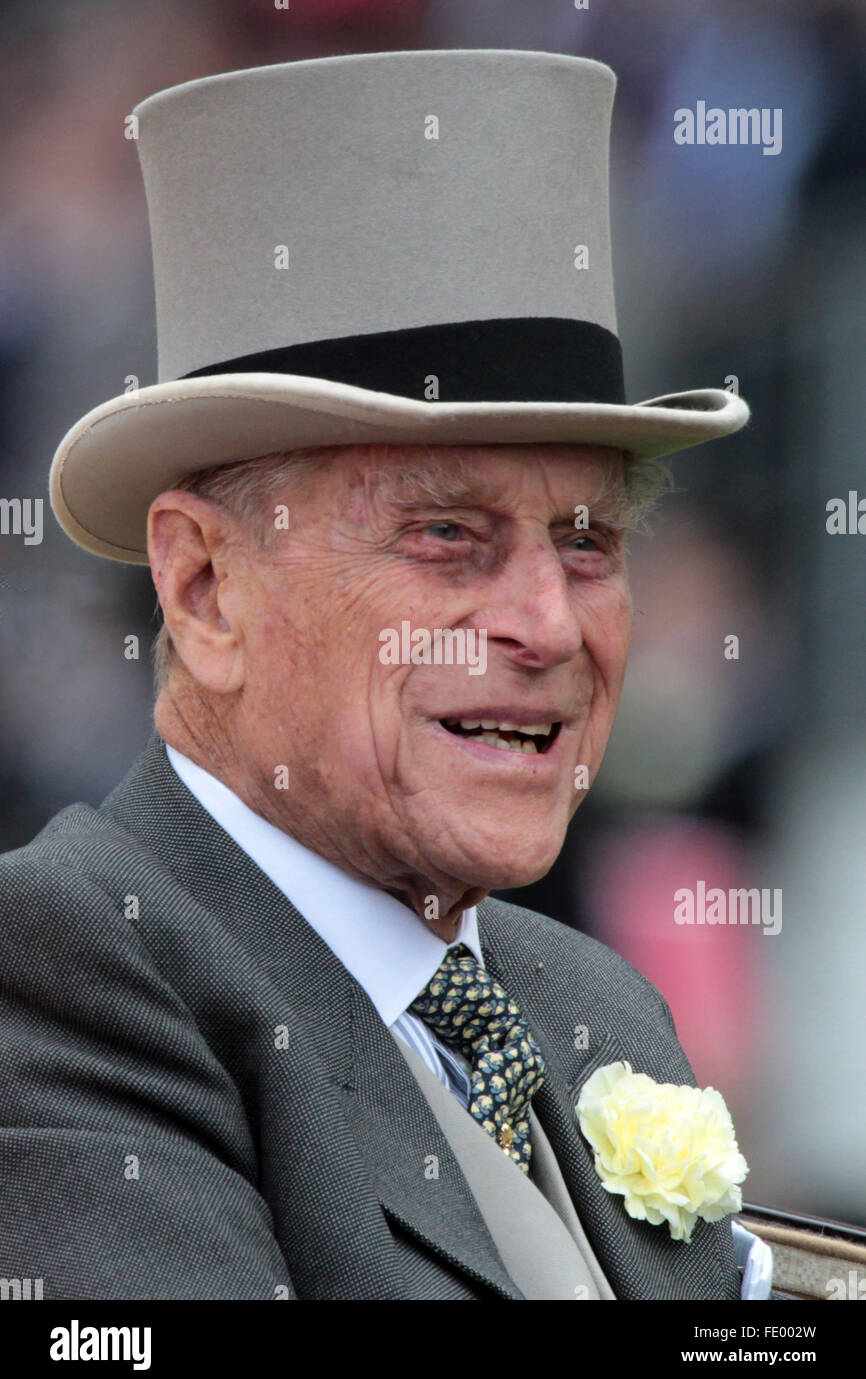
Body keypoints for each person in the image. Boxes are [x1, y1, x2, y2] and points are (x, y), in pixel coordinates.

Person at [1, 50, 757, 1299]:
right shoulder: (53, 972)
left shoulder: (591, 1002)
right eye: (446, 535)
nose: (546, 626)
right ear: (203, 590)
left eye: (588, 541)